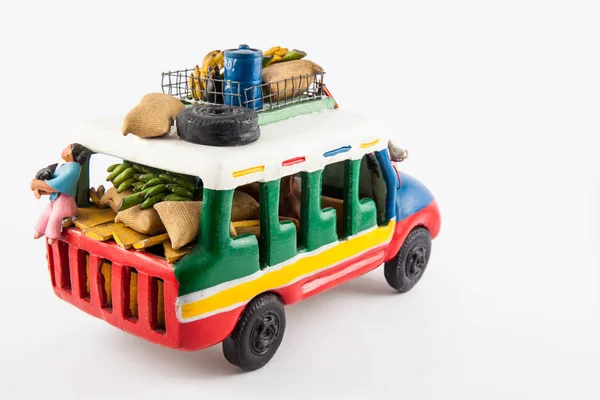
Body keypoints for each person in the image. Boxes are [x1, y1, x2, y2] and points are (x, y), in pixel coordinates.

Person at [31, 143, 89, 245]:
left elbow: (57, 184)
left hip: (65, 202)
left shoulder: (73, 169)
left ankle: (52, 235)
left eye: (68, 148)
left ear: (73, 154)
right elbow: (53, 184)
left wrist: (38, 184)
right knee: (47, 210)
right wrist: (41, 189)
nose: (64, 149)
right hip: (57, 199)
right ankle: (39, 230)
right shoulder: (65, 166)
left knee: (55, 216)